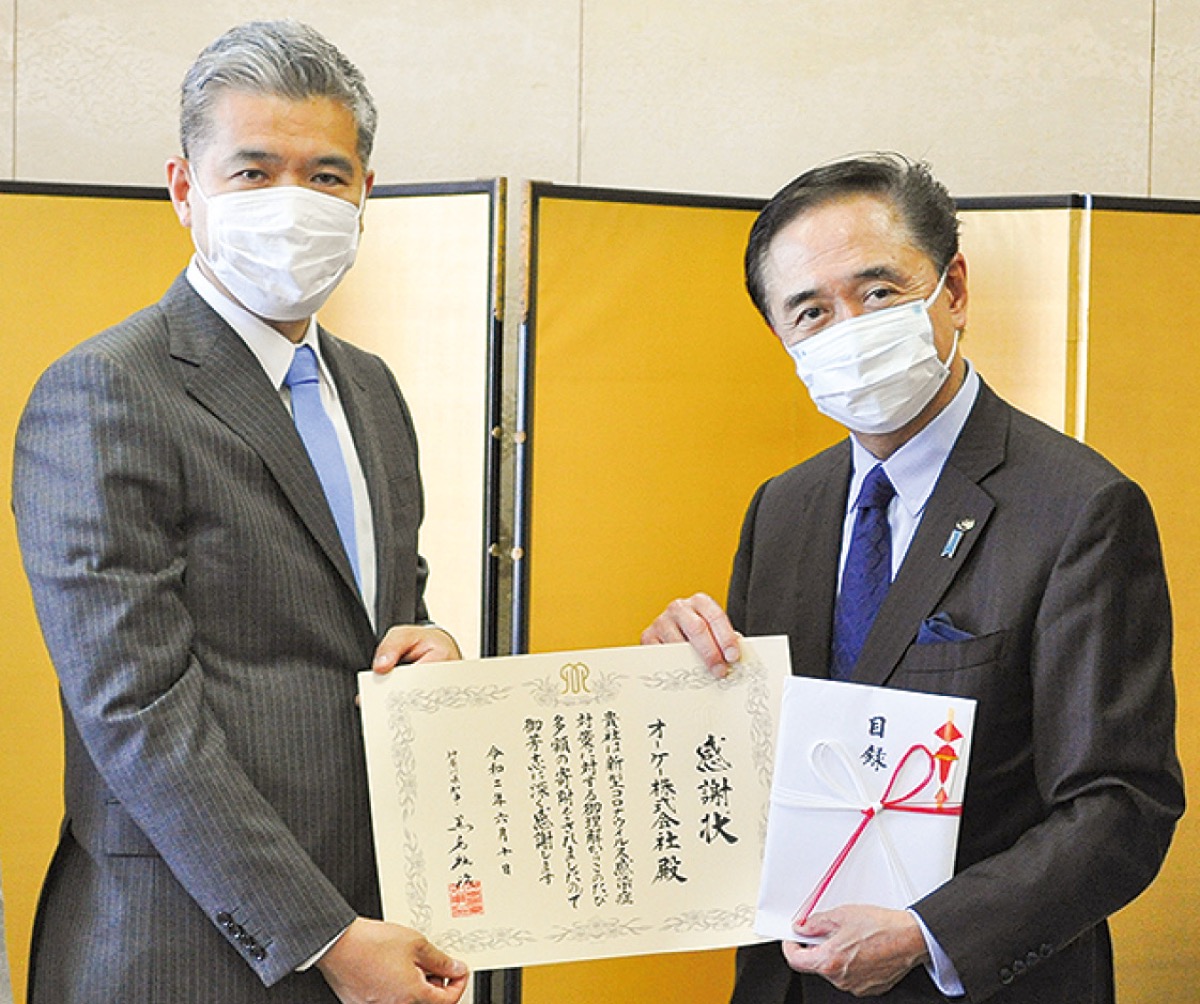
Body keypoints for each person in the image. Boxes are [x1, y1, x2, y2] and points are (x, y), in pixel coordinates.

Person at [642, 154, 1184, 1003]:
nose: (849, 328)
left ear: (953, 289)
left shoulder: (1079, 507)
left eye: (879, 291)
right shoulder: (783, 508)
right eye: (811, 311)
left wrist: (930, 934)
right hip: (790, 982)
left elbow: (1121, 806)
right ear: (783, 340)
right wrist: (680, 684)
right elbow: (756, 770)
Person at [13, 21, 468, 1004]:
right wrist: (326, 937)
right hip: (180, 947)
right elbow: (135, 708)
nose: (292, 202)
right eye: (254, 172)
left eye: (325, 175)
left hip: (373, 922)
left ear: (365, 194)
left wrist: (432, 651)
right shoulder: (107, 388)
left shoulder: (372, 390)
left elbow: (385, 616)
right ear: (186, 189)